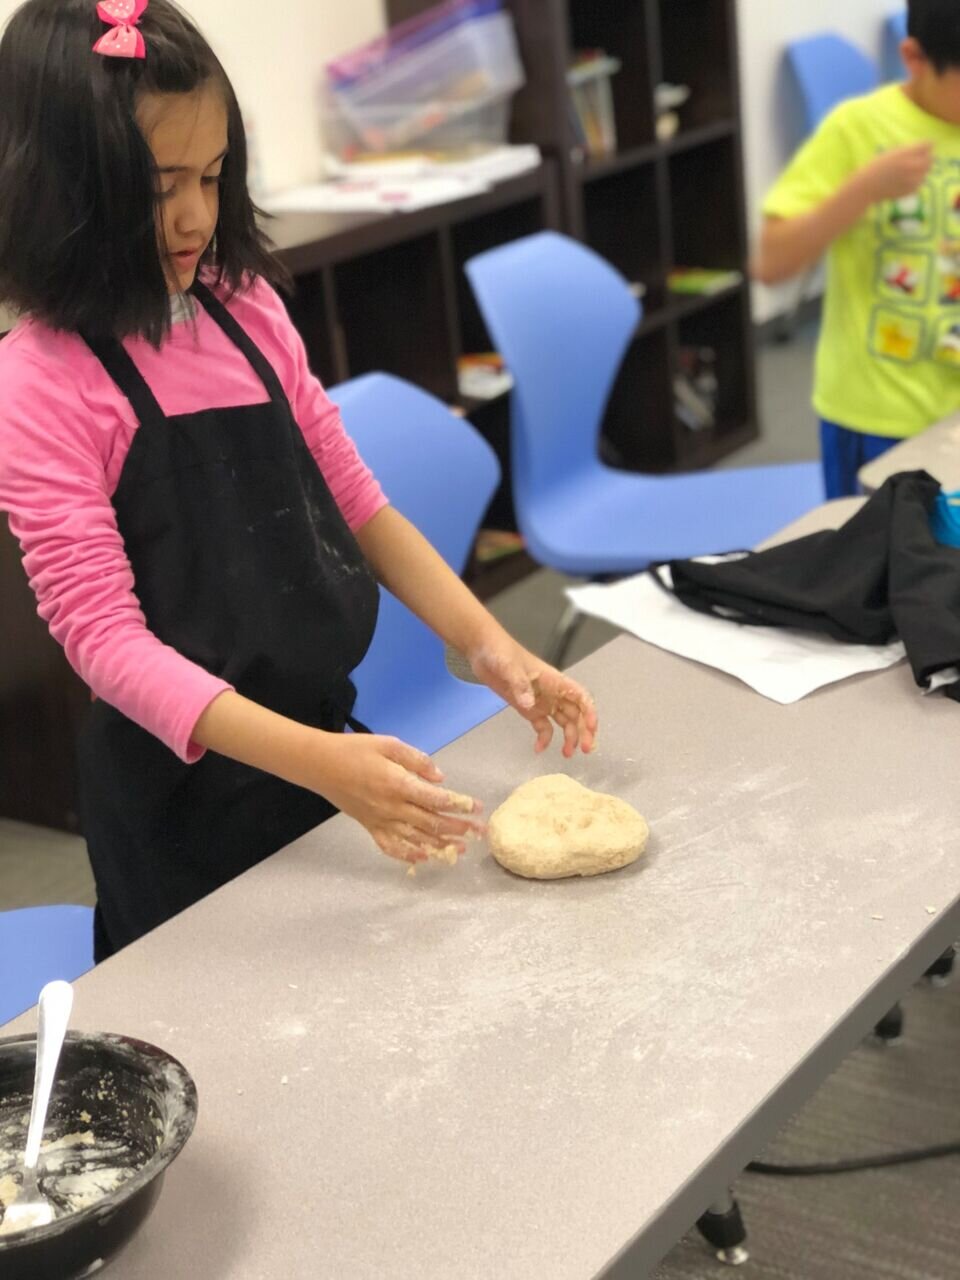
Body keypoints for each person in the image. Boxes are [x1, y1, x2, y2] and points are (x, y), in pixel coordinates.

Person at [0, 0, 598, 962]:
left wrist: (488, 645)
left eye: (213, 174)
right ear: (65, 189)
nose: (196, 217)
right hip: (178, 810)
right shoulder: (40, 380)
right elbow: (104, 642)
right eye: (159, 189)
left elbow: (355, 501)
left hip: (322, 749)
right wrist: (325, 768)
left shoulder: (247, 309)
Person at [753, 0, 960, 499]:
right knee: (874, 567)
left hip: (952, 416)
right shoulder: (857, 130)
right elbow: (771, 262)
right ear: (914, 58)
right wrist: (861, 190)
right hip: (876, 416)